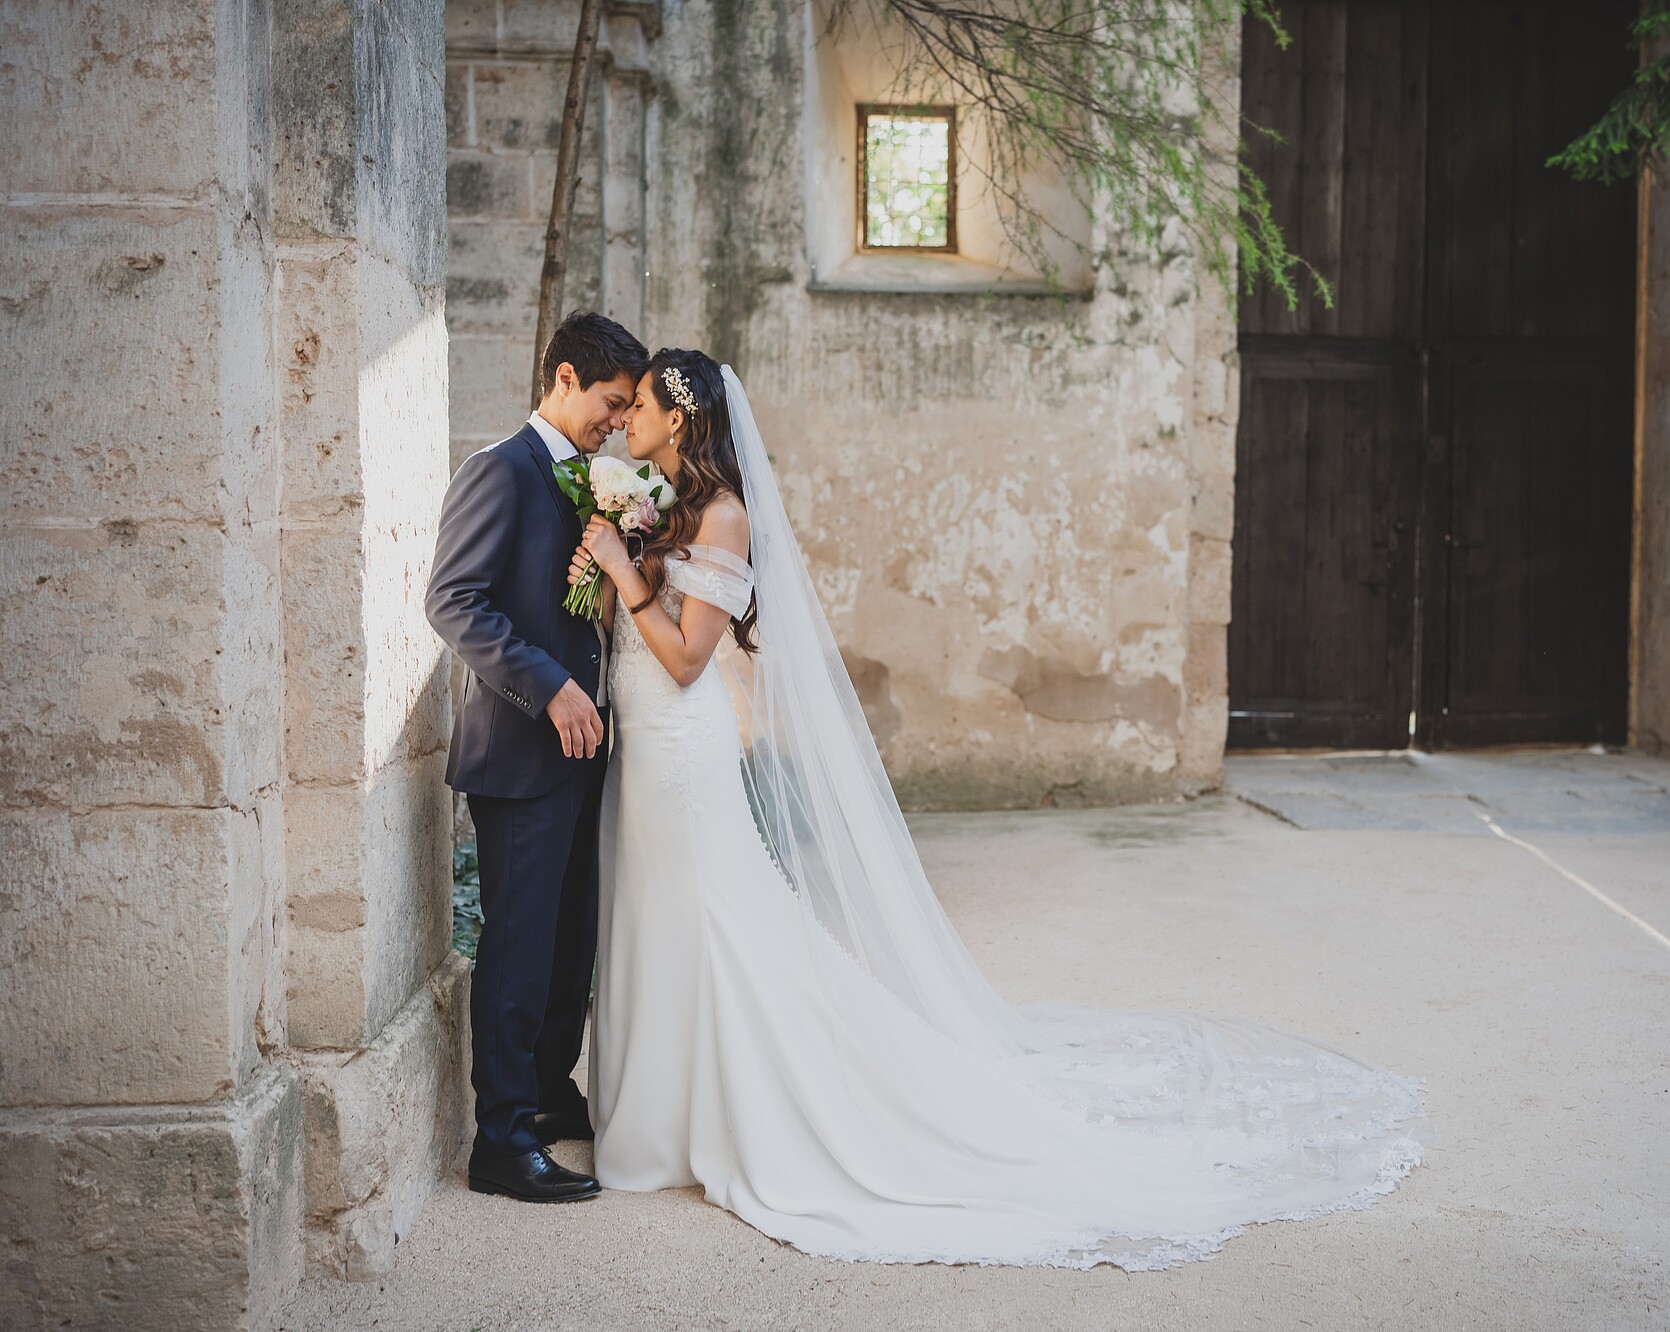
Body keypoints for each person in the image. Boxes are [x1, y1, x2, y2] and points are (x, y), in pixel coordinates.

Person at [571, 347, 1428, 1268]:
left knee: (716, 922)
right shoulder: (662, 504)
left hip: (682, 751)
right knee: (653, 915)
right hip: (645, 756)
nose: (630, 419)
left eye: (646, 405)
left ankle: (740, 1111)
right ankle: (656, 1120)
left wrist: (622, 571)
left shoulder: (725, 515)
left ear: (684, 419)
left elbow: (690, 658)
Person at [425, 310, 650, 1203]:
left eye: (628, 406)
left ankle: (551, 1094)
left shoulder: (591, 479)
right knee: (518, 944)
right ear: (562, 379)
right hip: (521, 746)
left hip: (586, 746)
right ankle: (501, 1141)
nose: (617, 420)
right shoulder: (498, 471)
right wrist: (549, 683)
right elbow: (454, 602)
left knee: (569, 940)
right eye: (609, 401)